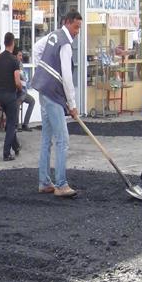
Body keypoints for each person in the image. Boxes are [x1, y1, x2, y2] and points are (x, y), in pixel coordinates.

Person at [31, 11, 82, 198]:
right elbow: (67, 78)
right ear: (67, 23)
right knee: (62, 139)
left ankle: (44, 182)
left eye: (79, 28)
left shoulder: (53, 35)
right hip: (52, 94)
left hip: (44, 92)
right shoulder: (65, 43)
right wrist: (73, 104)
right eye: (76, 27)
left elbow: (36, 49)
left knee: (47, 137)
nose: (77, 32)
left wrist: (43, 73)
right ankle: (61, 184)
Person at [0, 32, 21, 161]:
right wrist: (20, 88)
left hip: (0, 94)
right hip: (10, 95)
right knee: (11, 124)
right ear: (13, 43)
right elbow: (17, 81)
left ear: (5, 42)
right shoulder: (14, 60)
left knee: (10, 120)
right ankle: (6, 153)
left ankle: (16, 147)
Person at [13, 48, 35, 131]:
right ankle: (16, 125)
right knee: (18, 101)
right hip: (16, 91)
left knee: (32, 101)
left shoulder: (20, 64)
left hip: (23, 91)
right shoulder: (13, 65)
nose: (21, 57)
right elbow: (18, 80)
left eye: (22, 55)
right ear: (15, 56)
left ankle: (25, 124)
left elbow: (24, 78)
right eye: (19, 55)